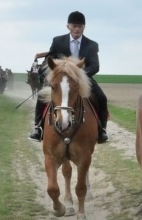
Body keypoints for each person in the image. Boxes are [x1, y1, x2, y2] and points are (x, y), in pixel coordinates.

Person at [28, 11, 109, 144]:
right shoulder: (58, 41)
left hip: (82, 79)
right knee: (42, 97)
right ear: (68, 27)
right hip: (60, 78)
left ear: (84, 27)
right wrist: (45, 75)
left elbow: (95, 66)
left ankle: (102, 130)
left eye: (80, 26)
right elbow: (49, 59)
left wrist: (79, 76)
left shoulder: (92, 45)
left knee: (101, 98)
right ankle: (38, 128)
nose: (77, 29)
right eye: (74, 26)